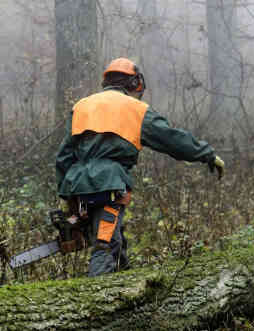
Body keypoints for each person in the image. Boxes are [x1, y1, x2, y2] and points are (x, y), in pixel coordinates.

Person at [56, 58, 224, 277]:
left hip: (77, 184)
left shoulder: (82, 106)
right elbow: (172, 139)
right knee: (105, 245)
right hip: (109, 184)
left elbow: (64, 155)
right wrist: (206, 154)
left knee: (113, 237)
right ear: (135, 83)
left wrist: (64, 192)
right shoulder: (136, 109)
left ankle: (126, 282)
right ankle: (94, 301)